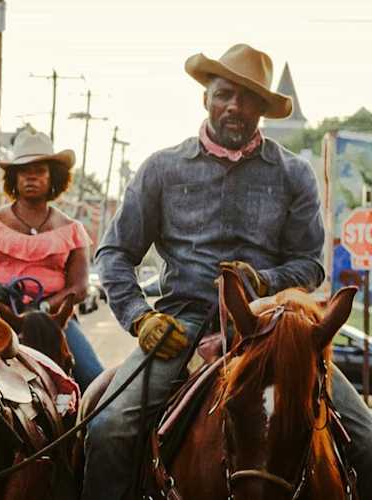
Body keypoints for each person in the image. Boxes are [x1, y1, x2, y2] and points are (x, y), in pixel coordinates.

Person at [84, 43, 372, 498]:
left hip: (274, 329)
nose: (234, 107)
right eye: (223, 94)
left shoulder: (293, 173)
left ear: (262, 109)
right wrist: (140, 317)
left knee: (368, 441)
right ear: (206, 98)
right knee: (108, 429)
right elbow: (115, 252)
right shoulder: (162, 168)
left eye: (248, 98)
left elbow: (310, 264)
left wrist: (264, 282)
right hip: (180, 324)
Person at [0, 130, 103, 388]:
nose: (30, 176)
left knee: (95, 380)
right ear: (13, 178)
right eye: (23, 170)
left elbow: (80, 288)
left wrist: (42, 309)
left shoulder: (73, 229)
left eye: (39, 170)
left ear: (53, 177)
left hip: (54, 323)